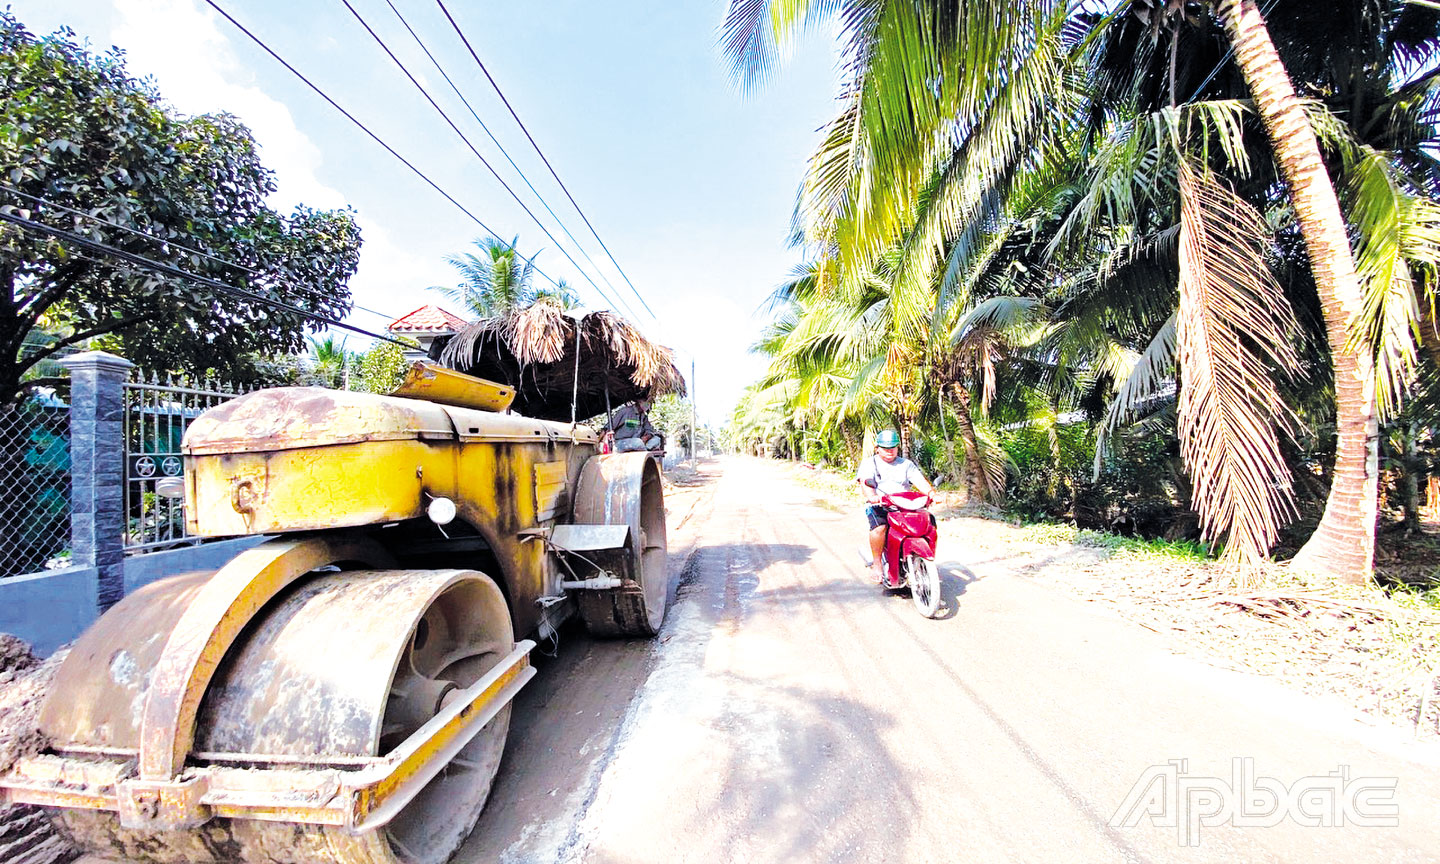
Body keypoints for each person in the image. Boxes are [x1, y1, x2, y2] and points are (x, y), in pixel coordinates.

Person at [857, 429, 934, 583]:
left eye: (893, 447)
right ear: (877, 448)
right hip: (881, 504)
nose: (889, 451)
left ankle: (924, 558)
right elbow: (865, 482)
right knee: (880, 528)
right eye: (885, 448)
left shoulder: (906, 464)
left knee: (929, 522)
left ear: (897, 447)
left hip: (905, 504)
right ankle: (878, 564)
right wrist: (872, 497)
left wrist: (931, 493)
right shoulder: (869, 463)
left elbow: (918, 481)